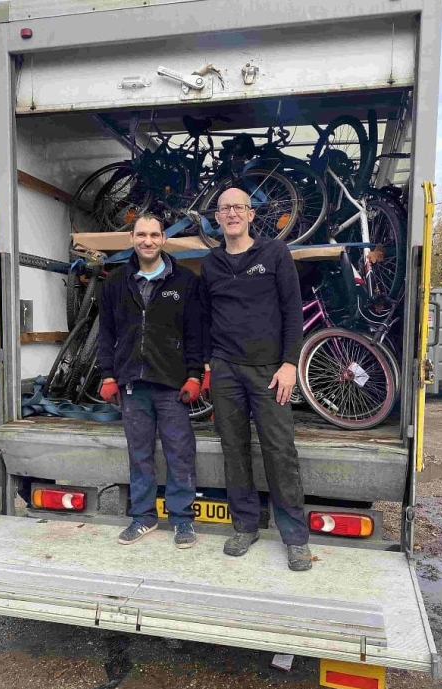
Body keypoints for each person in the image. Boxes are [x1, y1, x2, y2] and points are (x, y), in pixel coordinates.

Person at [199, 188, 312, 571]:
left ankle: (295, 537)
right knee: (234, 449)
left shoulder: (275, 253)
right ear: (217, 218)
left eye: (239, 207)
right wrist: (207, 363)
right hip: (226, 370)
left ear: (250, 215)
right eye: (225, 208)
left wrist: (289, 363)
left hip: (269, 372)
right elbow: (203, 316)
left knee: (280, 451)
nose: (232, 213)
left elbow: (292, 311)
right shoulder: (211, 263)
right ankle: (245, 526)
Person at [97, 213, 204, 549]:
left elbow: (195, 334)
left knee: (179, 453)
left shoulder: (185, 281)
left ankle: (182, 521)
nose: (147, 241)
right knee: (140, 454)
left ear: (163, 239)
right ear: (132, 239)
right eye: (141, 235)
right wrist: (107, 375)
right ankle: (143, 518)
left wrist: (194, 375)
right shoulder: (114, 282)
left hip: (172, 385)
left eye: (154, 235)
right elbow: (107, 333)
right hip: (132, 384)